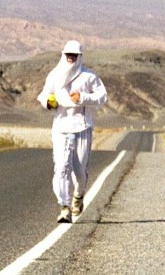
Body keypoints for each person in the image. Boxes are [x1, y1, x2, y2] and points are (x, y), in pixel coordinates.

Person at [37, 40, 107, 223]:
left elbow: (102, 97)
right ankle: (64, 207)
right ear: (63, 55)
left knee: (80, 170)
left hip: (82, 126)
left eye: (74, 55)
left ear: (79, 57)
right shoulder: (54, 75)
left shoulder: (89, 76)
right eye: (68, 54)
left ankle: (78, 196)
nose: (70, 58)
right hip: (61, 126)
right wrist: (48, 102)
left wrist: (82, 98)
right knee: (61, 167)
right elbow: (44, 94)